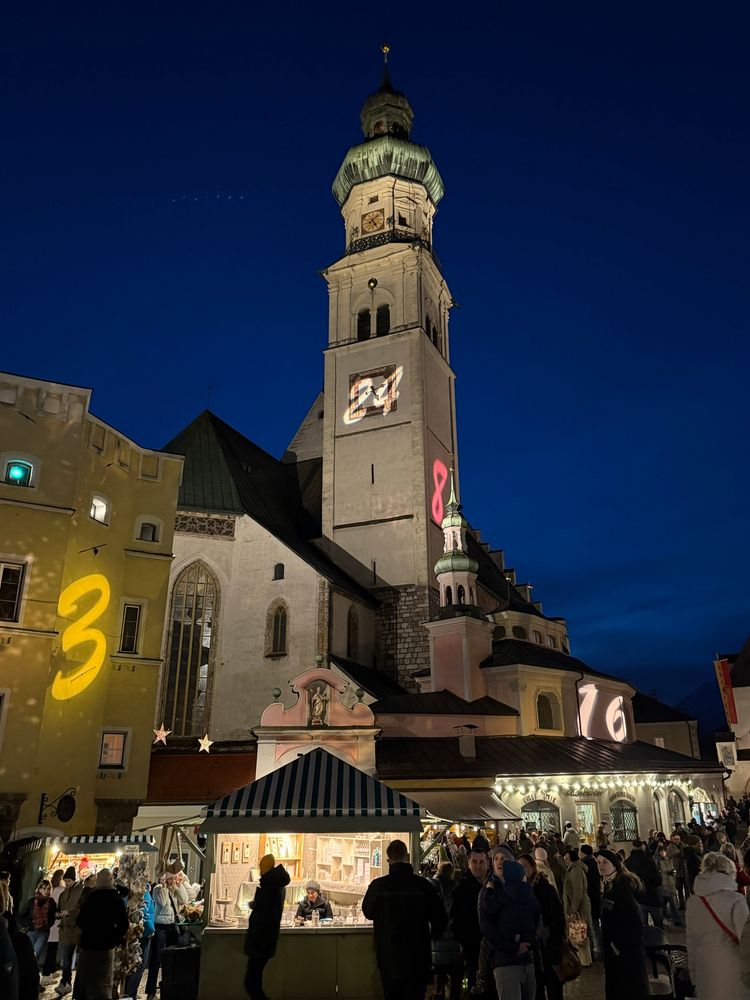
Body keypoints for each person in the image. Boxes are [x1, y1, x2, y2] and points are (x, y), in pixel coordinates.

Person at [362, 839, 446, 1000]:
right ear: (407, 856)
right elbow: (440, 919)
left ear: (388, 860)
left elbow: (368, 912)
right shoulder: (423, 886)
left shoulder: (378, 887)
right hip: (418, 959)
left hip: (389, 958)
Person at [686, 851, 750, 1000]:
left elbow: (691, 942)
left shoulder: (693, 902)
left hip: (705, 971)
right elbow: (745, 940)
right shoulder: (736, 900)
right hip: (733, 970)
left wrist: (694, 976)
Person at [478, 859, 539, 1000]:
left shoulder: (502, 894)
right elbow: (538, 917)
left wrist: (488, 890)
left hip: (505, 961)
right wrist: (530, 941)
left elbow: (487, 911)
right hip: (527, 958)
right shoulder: (529, 893)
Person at [596, 850, 648, 1000]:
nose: (601, 866)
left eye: (605, 862)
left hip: (625, 953)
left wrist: (617, 947)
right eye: (599, 862)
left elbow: (633, 921)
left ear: (615, 865)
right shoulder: (609, 884)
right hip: (616, 951)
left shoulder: (622, 886)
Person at [75, 869, 128, 1000]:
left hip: (88, 945)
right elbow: (123, 925)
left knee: (87, 980)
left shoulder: (91, 898)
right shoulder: (116, 900)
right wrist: (114, 937)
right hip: (106, 946)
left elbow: (80, 921)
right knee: (103, 982)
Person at [518, 853, 565, 1000]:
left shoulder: (546, 889)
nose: (522, 871)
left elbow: (558, 920)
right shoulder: (518, 891)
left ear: (533, 868)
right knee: (536, 989)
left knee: (553, 987)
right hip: (532, 951)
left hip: (548, 947)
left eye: (524, 867)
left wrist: (555, 947)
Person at [244, 854, 290, 1000]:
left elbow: (265, 915)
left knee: (251, 983)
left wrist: (256, 907)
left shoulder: (270, 886)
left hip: (260, 940)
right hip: (266, 941)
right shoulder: (275, 885)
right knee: (254, 982)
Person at [449, 848, 489, 993]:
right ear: (468, 863)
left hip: (494, 950)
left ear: (487, 864)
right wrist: (467, 944)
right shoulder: (461, 889)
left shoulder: (494, 887)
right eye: (474, 862)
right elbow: (455, 921)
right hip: (473, 951)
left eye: (481, 862)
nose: (478, 866)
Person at [430, 862, 462, 1000]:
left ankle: (439, 994)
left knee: (439, 980)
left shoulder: (431, 888)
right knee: (455, 982)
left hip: (436, 943)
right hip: (454, 944)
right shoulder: (455, 889)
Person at [145, 880, 180, 1000]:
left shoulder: (175, 888)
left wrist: (181, 885)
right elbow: (162, 902)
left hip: (172, 926)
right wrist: (164, 887)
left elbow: (185, 899)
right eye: (171, 878)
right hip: (160, 926)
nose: (173, 880)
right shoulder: (158, 889)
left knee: (171, 959)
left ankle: (168, 988)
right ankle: (151, 991)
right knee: (156, 959)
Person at [55, 867, 83, 997]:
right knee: (65, 959)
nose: (67, 883)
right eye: (65, 880)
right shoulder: (64, 893)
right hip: (65, 929)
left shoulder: (80, 891)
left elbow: (78, 907)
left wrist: (70, 912)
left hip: (76, 929)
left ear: (74, 880)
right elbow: (60, 906)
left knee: (75, 959)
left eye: (69, 881)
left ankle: (69, 984)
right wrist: (59, 914)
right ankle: (66, 982)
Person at [123, 883, 154, 1000]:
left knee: (130, 965)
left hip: (131, 932)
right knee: (137, 965)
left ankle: (127, 993)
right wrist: (150, 928)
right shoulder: (143, 893)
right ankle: (130, 994)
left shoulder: (126, 892)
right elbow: (145, 913)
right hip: (141, 932)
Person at [624, 839, 663, 928]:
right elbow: (657, 880)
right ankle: (660, 940)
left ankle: (645, 941)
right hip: (652, 897)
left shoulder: (628, 862)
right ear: (642, 846)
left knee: (643, 927)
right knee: (658, 926)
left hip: (638, 898)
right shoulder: (649, 860)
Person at [40, 869, 65, 986]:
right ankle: (46, 975)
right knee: (51, 949)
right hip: (54, 924)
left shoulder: (54, 889)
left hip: (51, 924)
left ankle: (50, 971)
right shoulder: (60, 890)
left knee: (52, 948)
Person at [22, 878, 56, 962]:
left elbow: (52, 917)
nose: (46, 891)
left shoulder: (51, 902)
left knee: (36, 952)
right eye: (44, 888)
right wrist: (29, 924)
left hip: (43, 931)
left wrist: (47, 924)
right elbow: (21, 915)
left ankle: (31, 972)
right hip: (31, 930)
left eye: (48, 889)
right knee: (28, 952)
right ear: (40, 889)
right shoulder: (32, 901)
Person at [579, 845, 601, 953]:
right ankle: (600, 947)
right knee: (596, 923)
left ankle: (593, 949)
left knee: (591, 924)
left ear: (583, 853)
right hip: (596, 896)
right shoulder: (596, 863)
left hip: (589, 897)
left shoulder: (584, 866)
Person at [655, 843, 683, 926]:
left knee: (670, 903)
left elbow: (672, 869)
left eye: (664, 851)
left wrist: (673, 872)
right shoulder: (657, 861)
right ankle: (667, 919)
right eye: (661, 851)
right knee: (665, 903)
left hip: (670, 884)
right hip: (663, 885)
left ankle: (674, 919)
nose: (663, 853)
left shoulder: (669, 860)